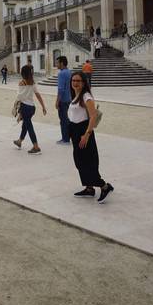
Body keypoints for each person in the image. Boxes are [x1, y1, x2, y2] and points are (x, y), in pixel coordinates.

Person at [68, 71, 114, 203]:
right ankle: (89, 188)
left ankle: (104, 186)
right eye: (73, 81)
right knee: (79, 161)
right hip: (75, 131)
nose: (75, 83)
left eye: (78, 81)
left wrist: (87, 134)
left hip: (83, 131)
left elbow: (93, 116)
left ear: (83, 83)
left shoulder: (86, 96)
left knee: (87, 162)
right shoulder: (76, 95)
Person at [13, 65, 47, 155]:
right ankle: (19, 141)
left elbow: (19, 97)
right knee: (26, 124)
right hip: (32, 108)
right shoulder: (32, 82)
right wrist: (43, 106)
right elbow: (38, 94)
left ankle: (36, 146)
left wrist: (16, 108)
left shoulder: (21, 83)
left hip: (25, 108)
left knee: (29, 126)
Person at [55, 56, 71, 145]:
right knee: (67, 119)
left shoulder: (61, 74)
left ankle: (65, 139)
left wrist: (57, 101)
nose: (56, 64)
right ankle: (67, 137)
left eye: (57, 63)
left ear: (61, 63)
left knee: (63, 120)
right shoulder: (69, 72)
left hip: (63, 100)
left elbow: (61, 89)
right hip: (69, 99)